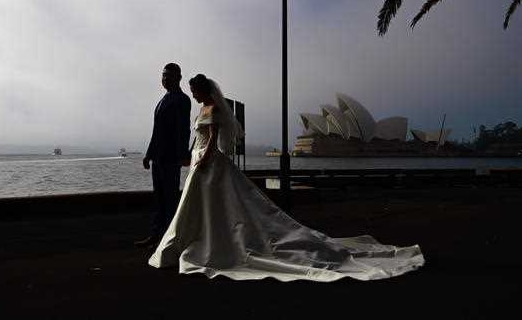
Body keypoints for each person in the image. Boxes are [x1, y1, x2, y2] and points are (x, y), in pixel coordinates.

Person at [148, 74, 424, 281]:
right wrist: (191, 155)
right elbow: (197, 136)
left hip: (208, 160)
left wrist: (205, 157)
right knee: (201, 205)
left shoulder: (216, 109)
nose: (193, 94)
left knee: (220, 204)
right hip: (197, 159)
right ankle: (197, 239)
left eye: (195, 90)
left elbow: (213, 140)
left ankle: (215, 243)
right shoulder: (200, 109)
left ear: (203, 89)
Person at [135, 63, 192, 248]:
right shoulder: (164, 99)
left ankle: (168, 239)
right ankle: (155, 234)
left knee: (170, 199)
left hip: (170, 158)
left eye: (168, 76)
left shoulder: (182, 100)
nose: (164, 79)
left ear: (178, 78)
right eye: (163, 76)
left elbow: (183, 130)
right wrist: (148, 154)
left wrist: (183, 155)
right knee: (159, 198)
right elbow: (156, 131)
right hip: (158, 157)